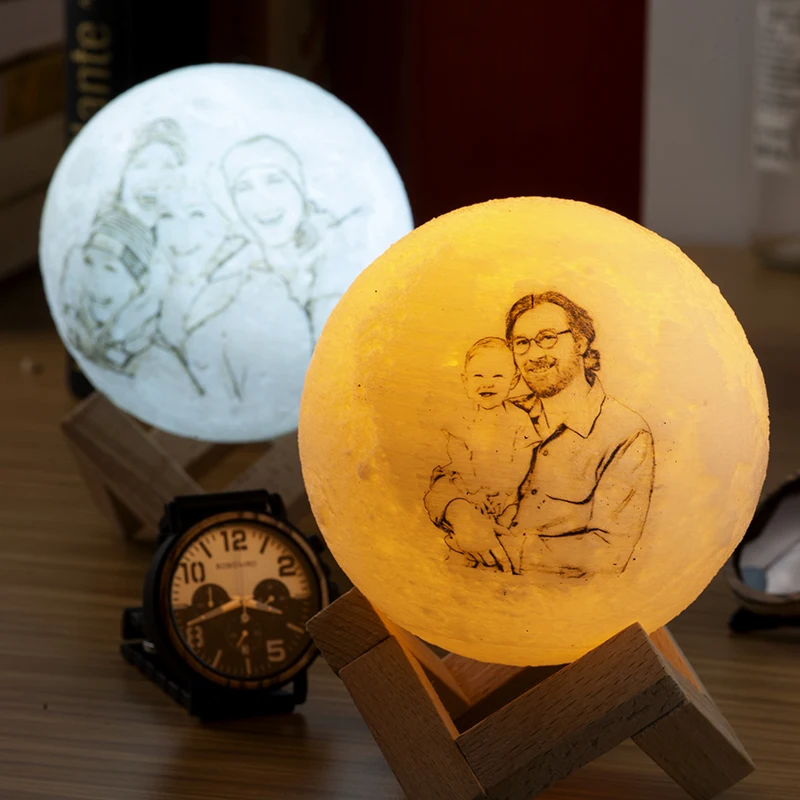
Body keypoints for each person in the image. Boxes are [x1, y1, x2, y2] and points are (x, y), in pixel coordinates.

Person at [425, 291, 655, 579]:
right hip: (460, 588)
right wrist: (460, 515)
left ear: (580, 342)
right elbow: (445, 480)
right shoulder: (501, 410)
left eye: (547, 338)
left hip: (554, 600)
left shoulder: (626, 433)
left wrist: (500, 547)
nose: (534, 355)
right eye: (522, 343)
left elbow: (609, 552)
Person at [222, 134, 361, 342]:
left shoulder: (346, 259)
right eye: (243, 187)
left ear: (299, 187)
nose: (262, 199)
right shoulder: (228, 283)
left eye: (274, 180)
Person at [437, 337, 535, 570]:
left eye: (497, 376)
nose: (487, 384)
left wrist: (506, 492)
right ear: (465, 381)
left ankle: (498, 563)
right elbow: (459, 457)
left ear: (513, 381)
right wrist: (475, 491)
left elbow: (523, 459)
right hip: (470, 492)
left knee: (508, 524)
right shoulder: (462, 417)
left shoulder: (519, 419)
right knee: (470, 527)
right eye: (478, 376)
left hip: (507, 496)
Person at [60, 209, 159, 374]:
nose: (96, 280)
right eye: (89, 262)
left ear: (139, 283)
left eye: (110, 269)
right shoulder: (77, 325)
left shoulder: (151, 353)